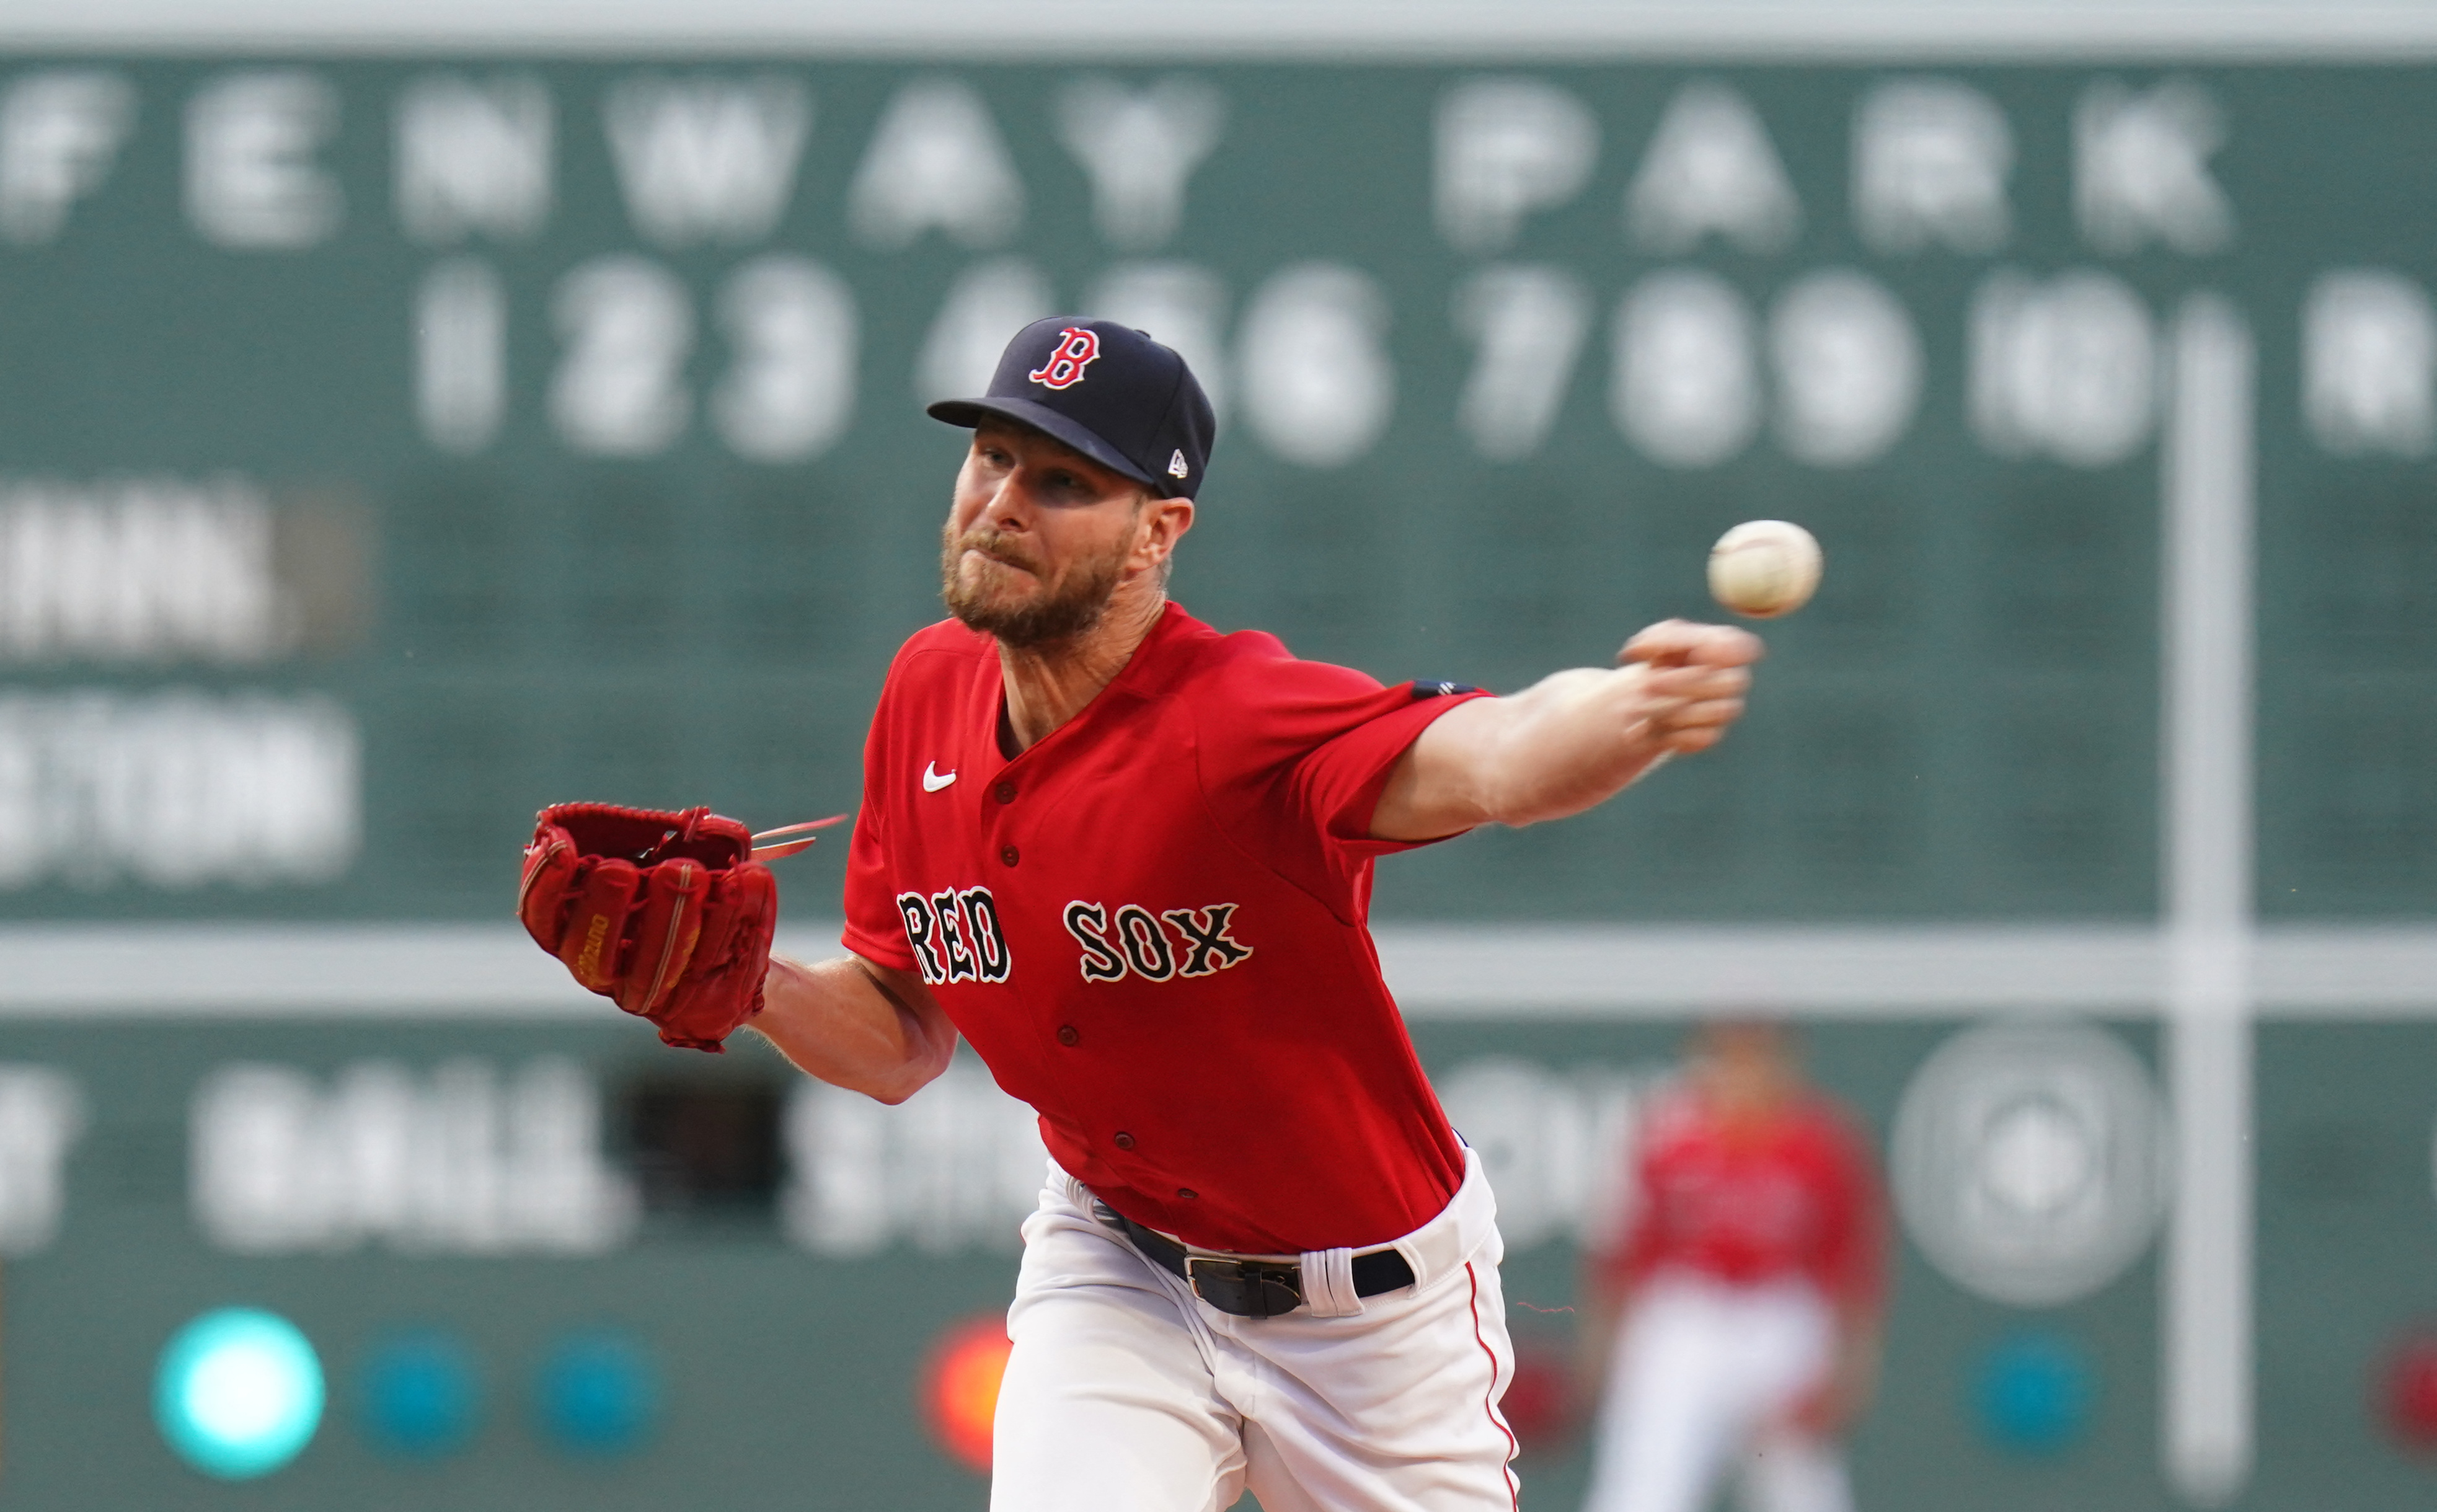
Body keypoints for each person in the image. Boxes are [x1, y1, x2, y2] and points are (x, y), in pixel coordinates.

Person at [653, 316, 1759, 1510]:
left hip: (1371, 1322)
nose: (1004, 500)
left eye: (1064, 480)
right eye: (992, 457)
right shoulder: (927, 686)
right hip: (1116, 1266)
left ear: (1156, 532)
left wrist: (1632, 712)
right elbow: (900, 1037)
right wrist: (752, 981)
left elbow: (1494, 755)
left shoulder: (1233, 724)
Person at [1577, 1021, 1886, 1512]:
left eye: (1759, 1053)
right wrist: (1604, 1353)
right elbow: (1622, 1256)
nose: (1744, 1069)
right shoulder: (1664, 1138)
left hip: (1778, 1315)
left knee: (1803, 1494)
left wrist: (1847, 1368)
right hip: (1687, 1315)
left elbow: (1851, 1265)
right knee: (1644, 1488)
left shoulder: (1822, 1144)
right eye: (1730, 1054)